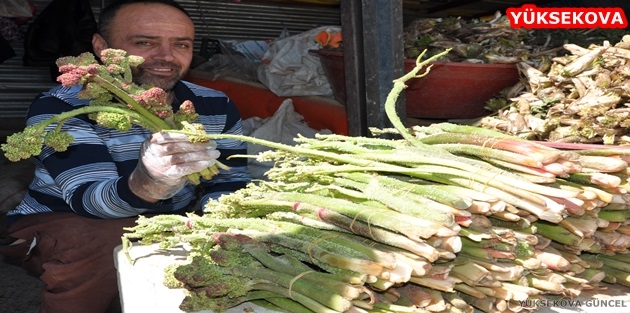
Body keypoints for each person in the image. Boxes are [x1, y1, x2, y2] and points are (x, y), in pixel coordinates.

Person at [0, 1, 251, 312]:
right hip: (66, 218)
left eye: (180, 44)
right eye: (144, 42)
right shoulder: (62, 106)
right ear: (102, 47)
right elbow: (89, 199)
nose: (166, 56)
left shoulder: (214, 103)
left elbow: (231, 181)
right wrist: (151, 182)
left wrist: (219, 224)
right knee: (111, 244)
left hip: (170, 216)